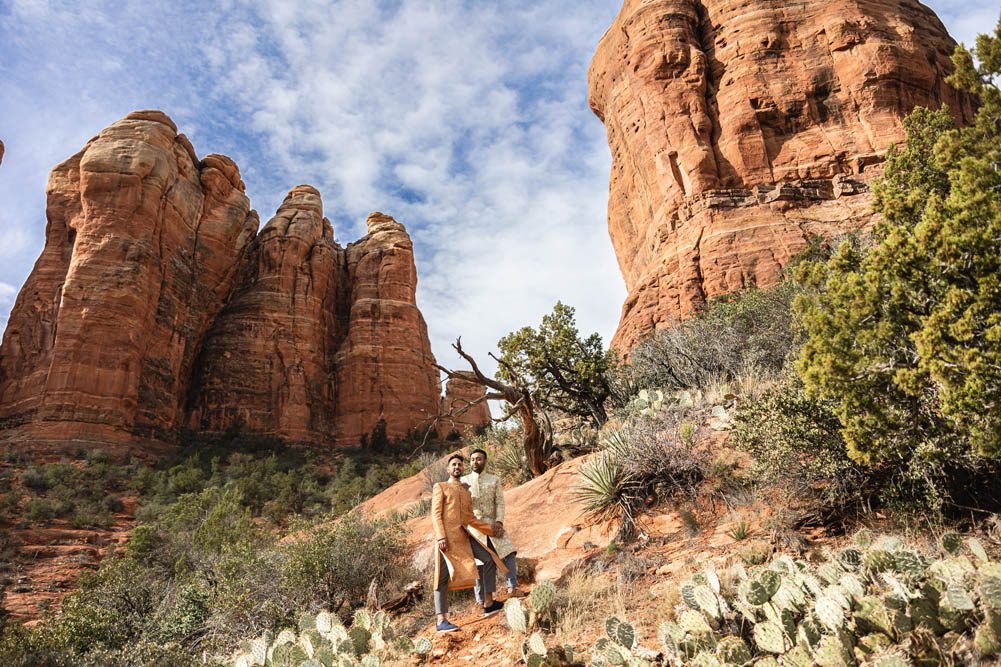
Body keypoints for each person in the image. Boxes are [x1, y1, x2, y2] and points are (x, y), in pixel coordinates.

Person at [431, 453, 508, 632]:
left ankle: (488, 602)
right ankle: (441, 619)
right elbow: (435, 515)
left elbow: (470, 518)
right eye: (454, 465)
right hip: (446, 540)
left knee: (489, 558)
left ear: (462, 469)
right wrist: (441, 536)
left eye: (459, 465)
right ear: (448, 469)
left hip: (464, 537)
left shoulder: (466, 491)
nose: (457, 467)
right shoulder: (440, 487)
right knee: (442, 577)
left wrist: (491, 529)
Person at [462, 448, 519, 601]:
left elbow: (499, 502)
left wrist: (499, 521)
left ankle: (512, 587)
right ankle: (482, 599)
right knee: (480, 562)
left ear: (485, 461)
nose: (475, 461)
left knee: (508, 552)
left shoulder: (494, 479)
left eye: (479, 459)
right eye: (473, 459)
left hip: (493, 525)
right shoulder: (464, 481)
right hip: (474, 528)